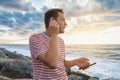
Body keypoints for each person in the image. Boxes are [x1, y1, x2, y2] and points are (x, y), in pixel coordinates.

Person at [29, 8, 90, 80]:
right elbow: (52, 63)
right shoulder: (35, 38)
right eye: (62, 20)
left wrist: (75, 62)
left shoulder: (61, 41)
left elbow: (60, 63)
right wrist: (54, 35)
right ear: (52, 20)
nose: (66, 24)